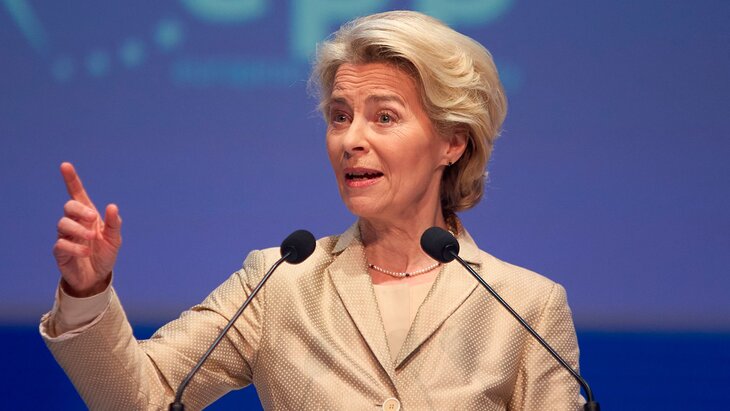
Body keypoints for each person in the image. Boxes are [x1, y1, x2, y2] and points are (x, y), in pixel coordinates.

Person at [41, 10, 582, 410]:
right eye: (340, 116)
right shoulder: (281, 283)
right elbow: (144, 397)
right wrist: (88, 292)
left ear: (452, 142)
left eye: (384, 117)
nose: (352, 140)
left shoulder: (525, 308)